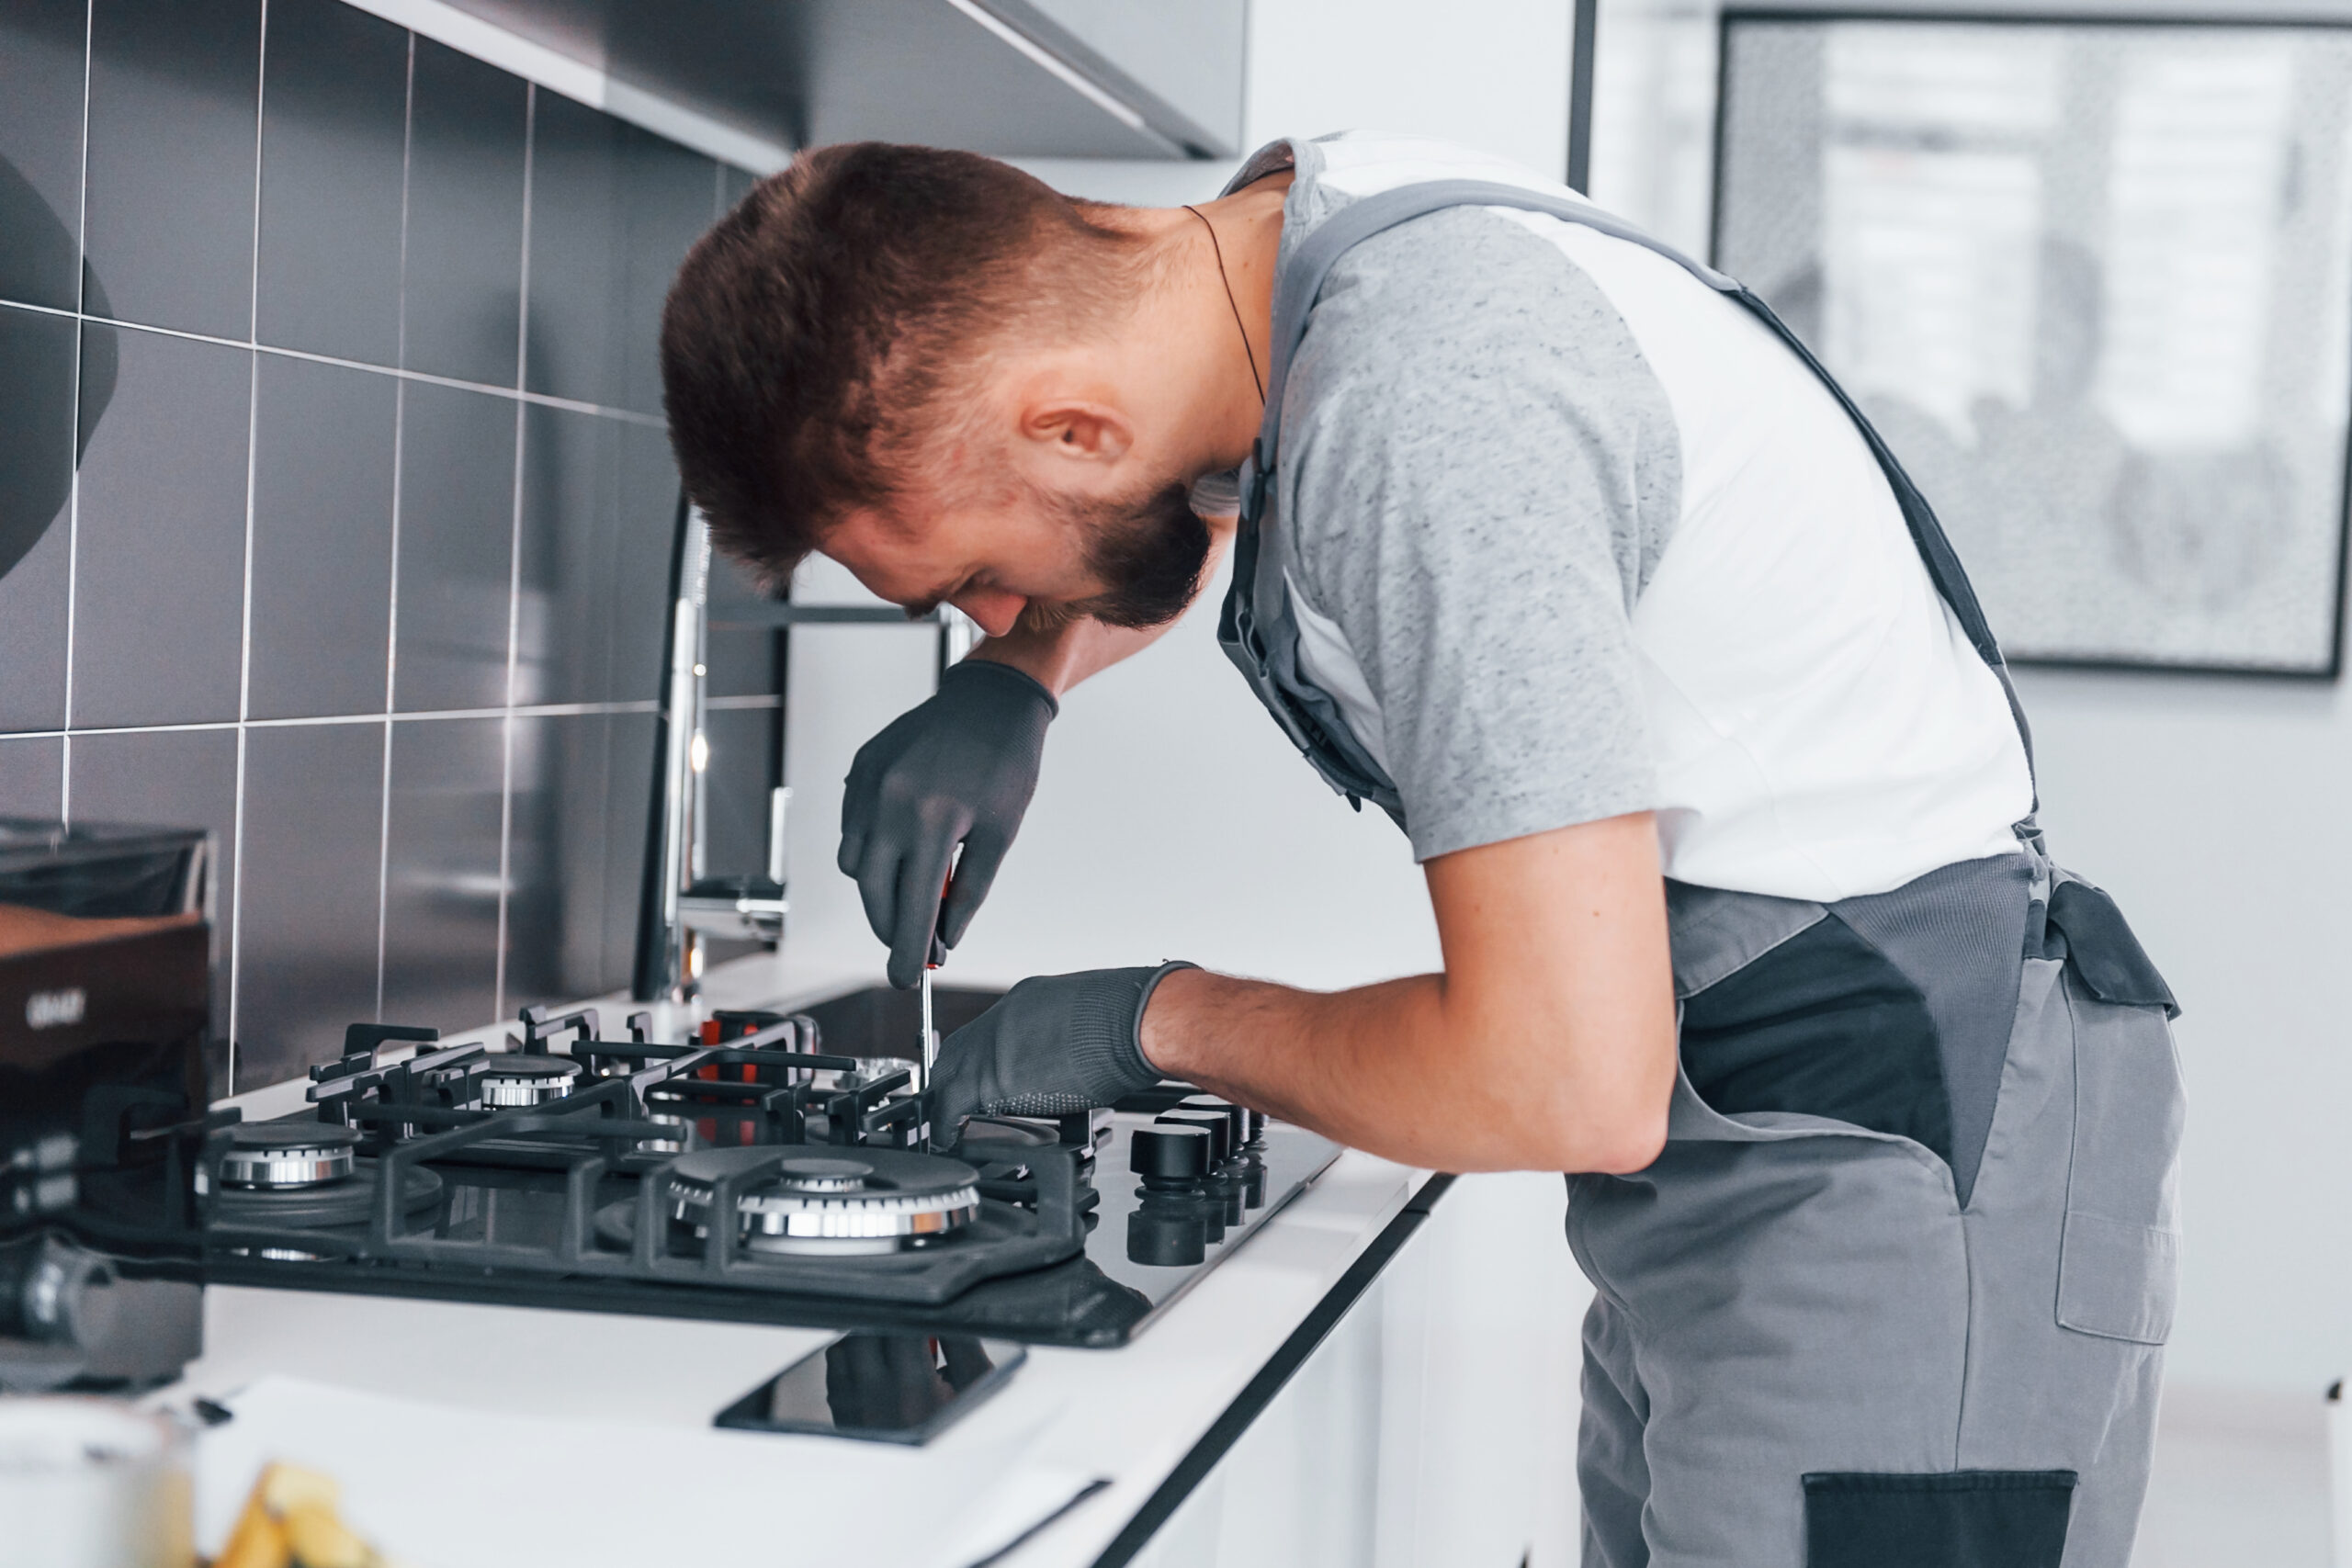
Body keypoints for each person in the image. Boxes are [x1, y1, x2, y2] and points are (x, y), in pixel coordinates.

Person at [660, 131, 2184, 1568]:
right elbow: (1175, 487)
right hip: (1765, 1127)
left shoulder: (1422, 405)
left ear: (1070, 422)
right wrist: (1021, 677)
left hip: (1901, 1159)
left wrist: (1149, 1023)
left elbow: (1560, 1077)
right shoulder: (1285, 243)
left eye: (980, 581)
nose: (989, 615)